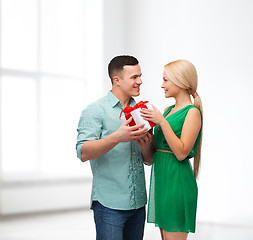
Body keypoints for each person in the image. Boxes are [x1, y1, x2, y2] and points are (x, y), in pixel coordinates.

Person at [76, 55, 153, 240]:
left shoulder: (143, 111)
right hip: (109, 205)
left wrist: (146, 147)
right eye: (134, 77)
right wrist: (118, 137)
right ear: (116, 80)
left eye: (140, 76)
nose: (140, 81)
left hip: (138, 204)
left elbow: (149, 160)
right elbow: (83, 152)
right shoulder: (95, 111)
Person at [139, 59, 203, 240]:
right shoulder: (167, 111)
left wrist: (161, 122)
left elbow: (182, 153)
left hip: (177, 183)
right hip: (162, 183)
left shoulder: (192, 112)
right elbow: (154, 156)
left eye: (166, 80)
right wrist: (146, 144)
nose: (162, 85)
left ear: (181, 81)